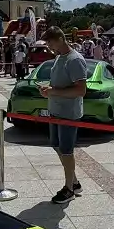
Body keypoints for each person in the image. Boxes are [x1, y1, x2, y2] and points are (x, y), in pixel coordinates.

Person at [37, 27, 88, 204]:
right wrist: (49, 91)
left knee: (66, 150)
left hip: (68, 113)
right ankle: (74, 182)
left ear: (59, 38)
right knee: (57, 145)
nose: (49, 46)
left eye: (50, 42)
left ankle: (69, 189)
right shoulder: (60, 57)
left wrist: (53, 91)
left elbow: (81, 90)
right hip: (56, 110)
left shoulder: (74, 60)